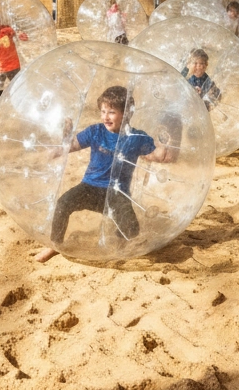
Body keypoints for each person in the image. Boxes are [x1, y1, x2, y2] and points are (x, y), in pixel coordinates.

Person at [35, 85, 176, 262]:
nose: (105, 117)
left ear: (126, 114)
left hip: (117, 192)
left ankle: (118, 245)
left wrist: (166, 143)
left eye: (111, 112)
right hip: (90, 188)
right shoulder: (95, 131)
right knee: (63, 203)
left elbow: (156, 156)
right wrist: (59, 145)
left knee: (132, 228)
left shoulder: (136, 138)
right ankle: (54, 245)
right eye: (103, 111)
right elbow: (71, 146)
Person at [0, 10, 28, 99]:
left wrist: (21, 34)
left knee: (17, 87)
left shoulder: (6, 30)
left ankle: (18, 102)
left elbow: (17, 33)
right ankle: (2, 103)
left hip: (13, 65)